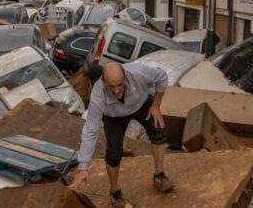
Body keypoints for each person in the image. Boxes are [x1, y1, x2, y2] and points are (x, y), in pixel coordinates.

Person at [69, 62, 174, 207]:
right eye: (111, 86)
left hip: (141, 104)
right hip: (113, 116)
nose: (117, 91)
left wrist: (155, 105)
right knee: (114, 152)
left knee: (158, 131)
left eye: (120, 84)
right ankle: (115, 192)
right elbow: (90, 130)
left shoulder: (140, 73)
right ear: (103, 81)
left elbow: (162, 77)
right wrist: (83, 167)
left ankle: (159, 175)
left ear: (126, 76)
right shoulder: (97, 96)